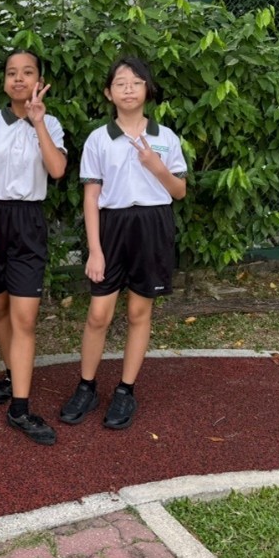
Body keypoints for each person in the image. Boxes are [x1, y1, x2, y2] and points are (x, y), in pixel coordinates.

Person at [59, 55, 187, 430]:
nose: (128, 89)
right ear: (108, 93)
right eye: (120, 83)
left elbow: (179, 191)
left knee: (138, 313)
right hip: (112, 228)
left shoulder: (166, 138)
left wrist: (156, 166)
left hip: (152, 225)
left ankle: (125, 391)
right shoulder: (99, 139)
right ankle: (86, 386)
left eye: (136, 82)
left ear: (147, 88)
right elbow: (91, 197)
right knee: (99, 314)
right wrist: (95, 249)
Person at [0, 49, 67, 446]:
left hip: (28, 221)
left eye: (27, 72)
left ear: (39, 80)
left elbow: (57, 169)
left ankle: (20, 407)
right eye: (11, 73)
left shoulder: (51, 123)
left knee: (25, 317)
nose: (18, 79)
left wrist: (38, 122)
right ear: (3, 81)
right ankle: (13, 372)